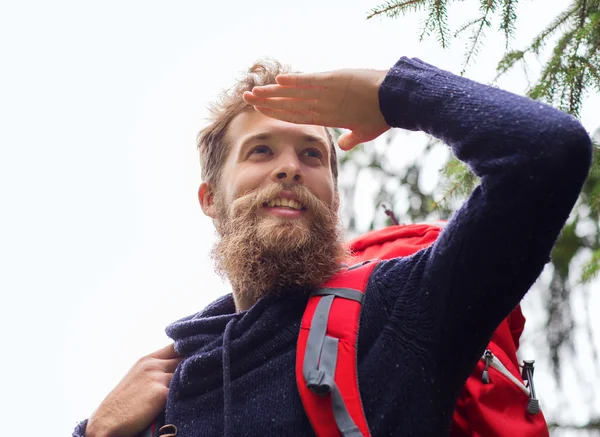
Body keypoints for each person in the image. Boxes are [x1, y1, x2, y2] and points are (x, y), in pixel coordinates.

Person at [74, 55, 592, 437]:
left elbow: (546, 151)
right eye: (260, 150)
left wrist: (394, 92)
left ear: (334, 200)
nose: (289, 168)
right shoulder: (164, 397)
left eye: (311, 155)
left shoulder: (400, 310)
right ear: (210, 199)